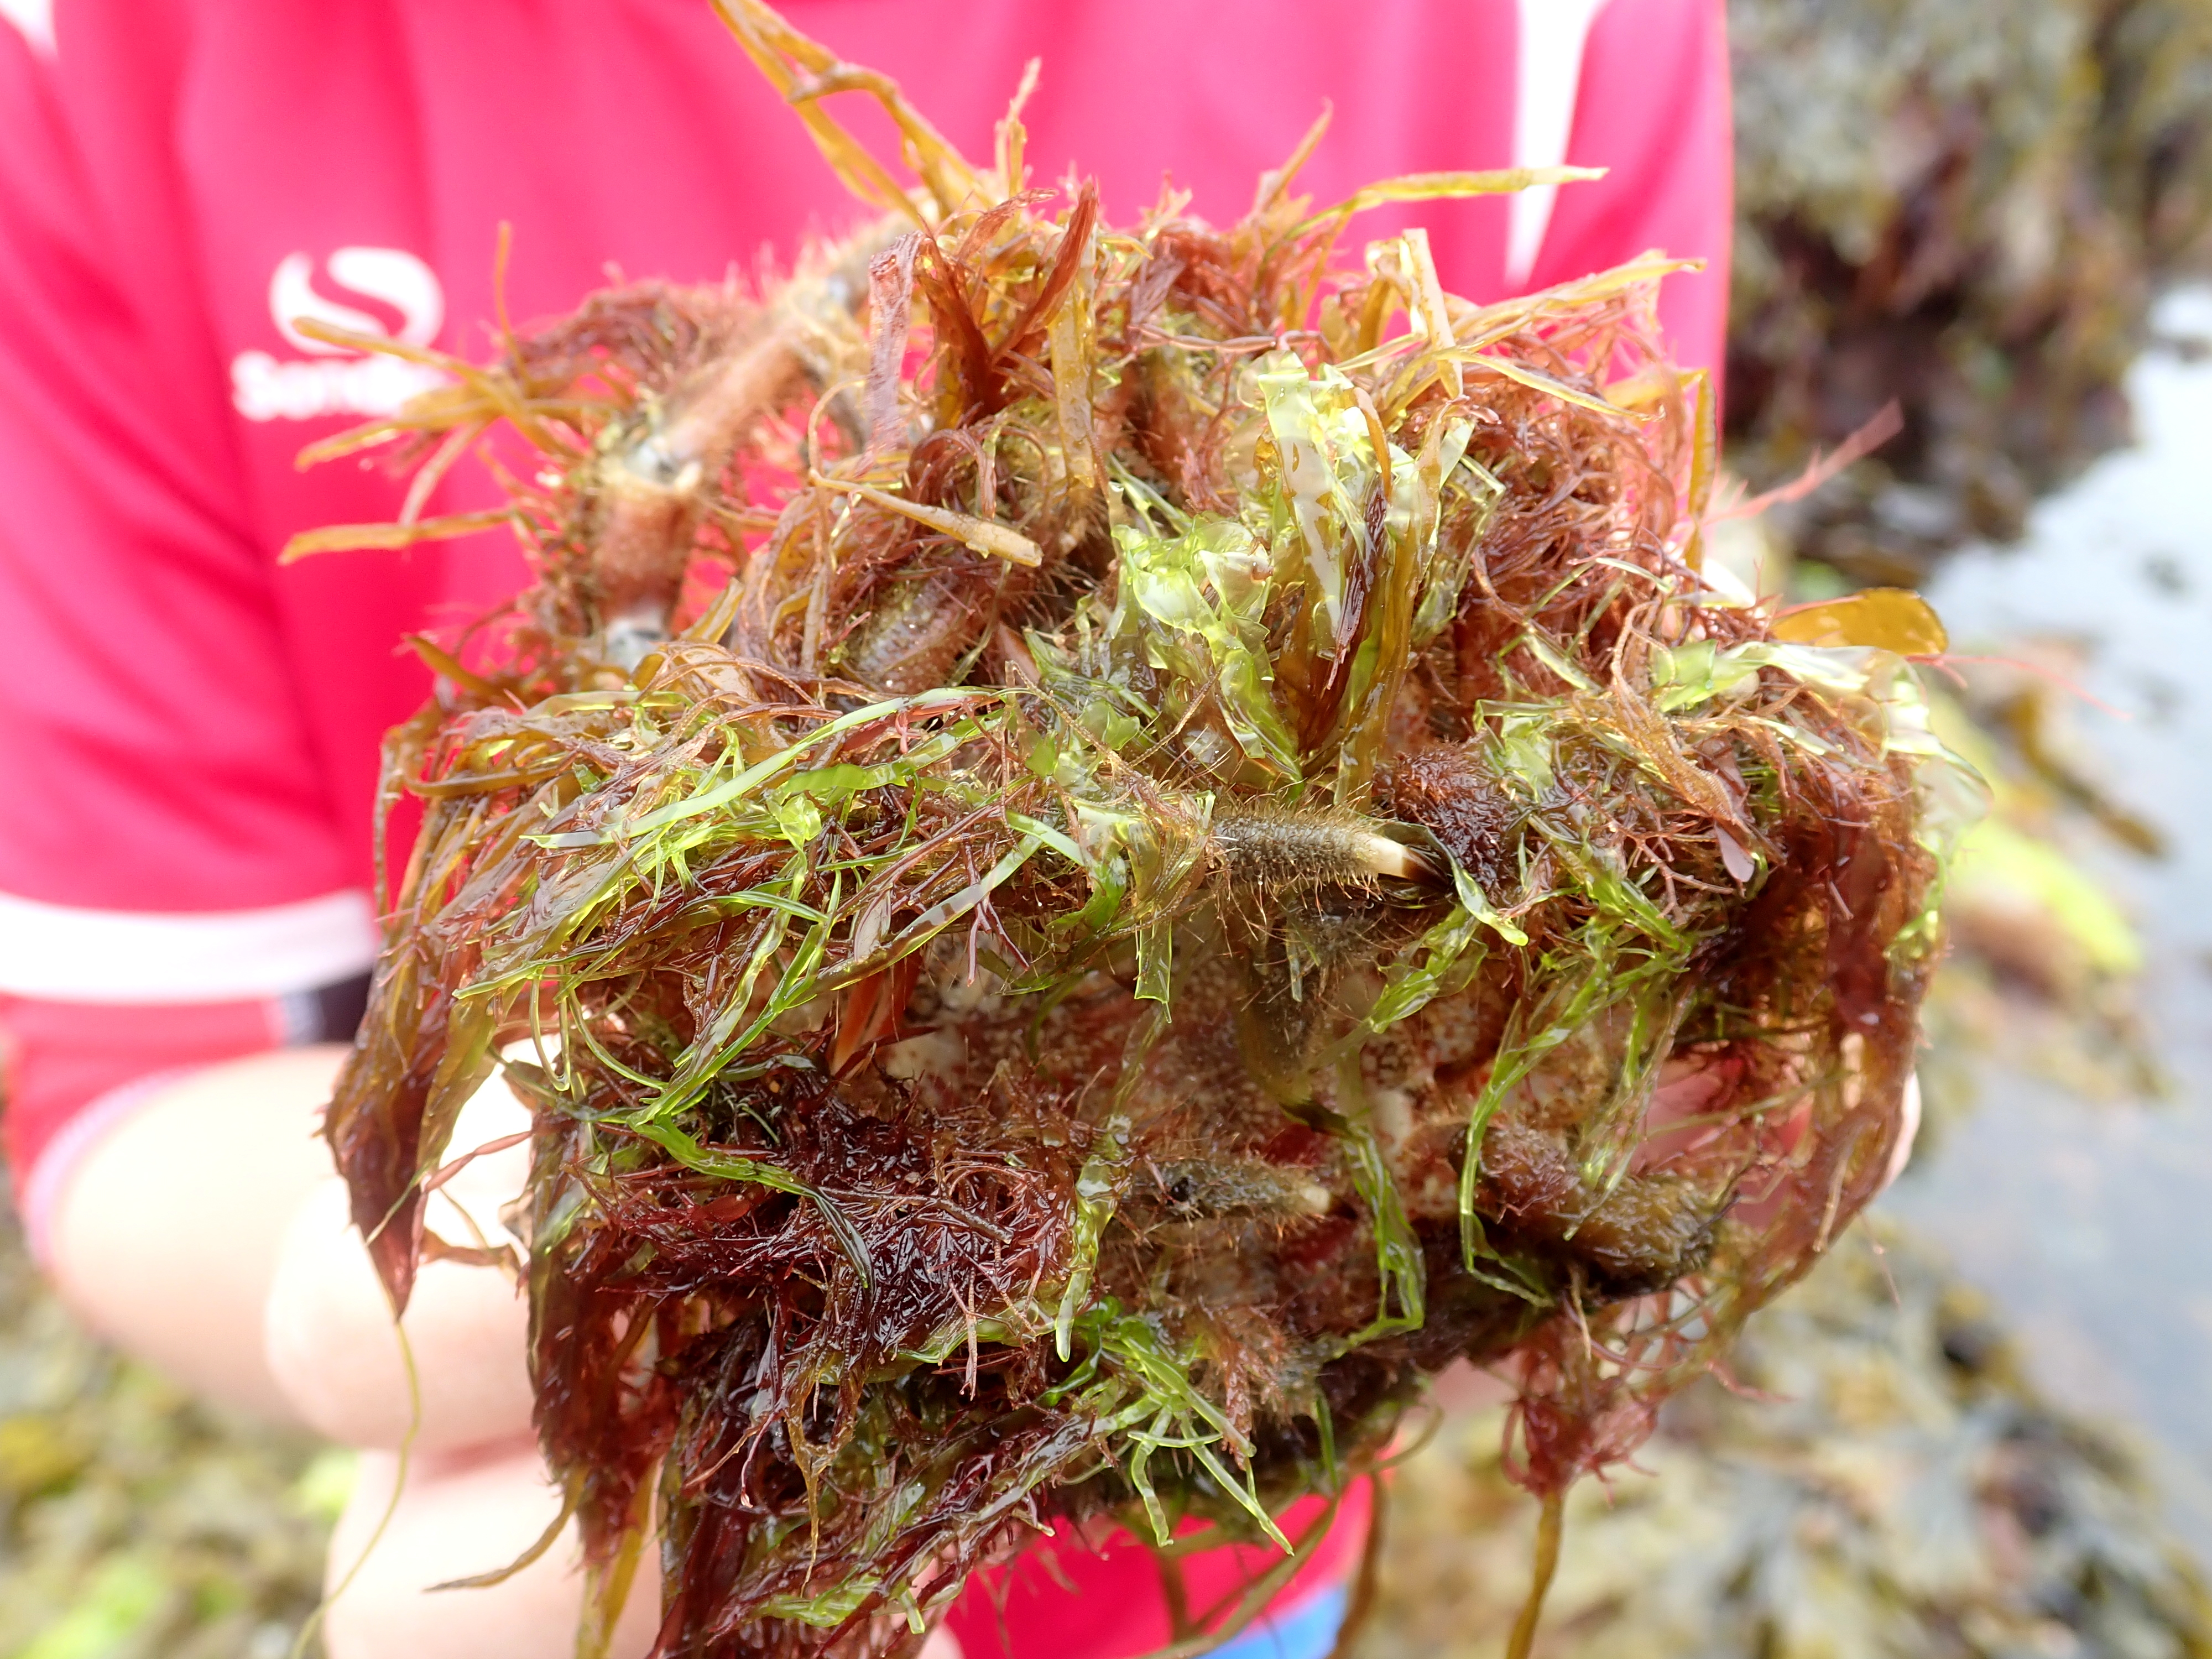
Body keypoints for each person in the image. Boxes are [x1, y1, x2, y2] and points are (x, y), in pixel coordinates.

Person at [0, 2, 1734, 1654]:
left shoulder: (1537, 35)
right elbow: (125, 1073)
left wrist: (1615, 1106)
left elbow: (1644, 749)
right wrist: (407, 1305)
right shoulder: (93, 64)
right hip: (716, 1483)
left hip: (1225, 1528)